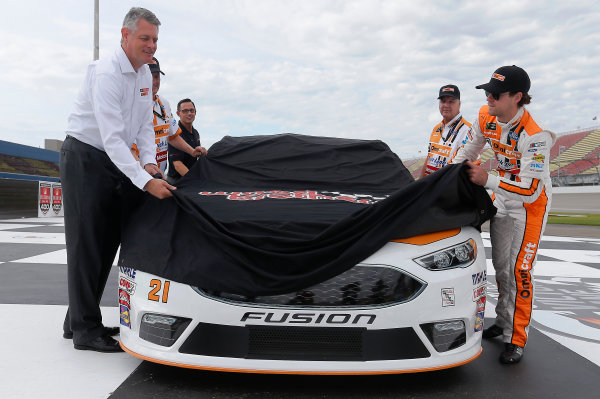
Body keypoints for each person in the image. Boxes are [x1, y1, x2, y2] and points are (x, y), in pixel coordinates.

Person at [61, 7, 174, 352]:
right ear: (125, 35)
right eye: (145, 38)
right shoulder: (106, 72)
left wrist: (150, 164)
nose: (151, 45)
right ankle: (85, 331)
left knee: (106, 241)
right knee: (86, 245)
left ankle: (77, 320)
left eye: (155, 39)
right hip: (85, 156)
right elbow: (111, 138)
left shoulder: (143, 75)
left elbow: (142, 127)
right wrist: (144, 181)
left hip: (113, 158)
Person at [452, 65, 556, 364]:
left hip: (530, 206)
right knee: (501, 267)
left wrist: (488, 180)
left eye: (496, 94)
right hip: (502, 199)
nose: (489, 98)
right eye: (487, 92)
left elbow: (530, 191)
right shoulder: (486, 116)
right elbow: (468, 151)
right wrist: (446, 175)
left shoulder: (536, 137)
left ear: (518, 97)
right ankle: (502, 321)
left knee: (519, 271)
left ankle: (516, 337)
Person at [130, 57, 203, 173]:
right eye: (149, 77)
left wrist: (192, 151)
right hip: (139, 177)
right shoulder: (131, 105)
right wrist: (144, 177)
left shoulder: (163, 103)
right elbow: (130, 150)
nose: (154, 82)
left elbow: (172, 136)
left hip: (158, 176)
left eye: (156, 77)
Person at [419, 84, 471, 178]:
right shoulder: (436, 128)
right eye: (443, 101)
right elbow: (429, 158)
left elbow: (471, 167)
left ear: (459, 104)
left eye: (451, 102)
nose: (446, 105)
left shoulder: (468, 130)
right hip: (431, 186)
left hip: (450, 188)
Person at [167, 98, 207, 182]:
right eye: (185, 111)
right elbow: (177, 164)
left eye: (191, 110)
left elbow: (196, 158)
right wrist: (194, 181)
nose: (189, 113)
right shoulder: (175, 134)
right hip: (176, 181)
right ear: (178, 114)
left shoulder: (196, 133)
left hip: (190, 178)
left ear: (195, 112)